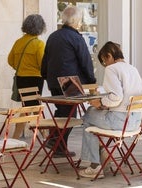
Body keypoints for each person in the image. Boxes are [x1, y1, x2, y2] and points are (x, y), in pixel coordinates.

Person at [79, 41, 142, 178]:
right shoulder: (133, 68)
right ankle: (104, 160)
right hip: (135, 122)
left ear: (109, 56)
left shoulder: (112, 69)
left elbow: (116, 98)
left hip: (120, 121)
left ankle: (95, 166)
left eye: (104, 61)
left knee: (88, 117)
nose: (105, 65)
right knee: (93, 118)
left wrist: (100, 103)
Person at [41, 5, 96, 157]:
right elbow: (85, 61)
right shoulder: (75, 37)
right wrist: (91, 80)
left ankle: (58, 146)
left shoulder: (53, 36)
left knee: (62, 111)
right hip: (69, 81)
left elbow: (45, 60)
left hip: (54, 80)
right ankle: (54, 140)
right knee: (70, 115)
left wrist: (46, 76)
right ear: (76, 21)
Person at [8, 14, 46, 139]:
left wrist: (21, 68)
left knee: (31, 107)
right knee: (29, 108)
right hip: (35, 79)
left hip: (21, 78)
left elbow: (10, 60)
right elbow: (43, 64)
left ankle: (44, 134)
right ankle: (14, 138)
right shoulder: (39, 44)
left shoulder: (18, 42)